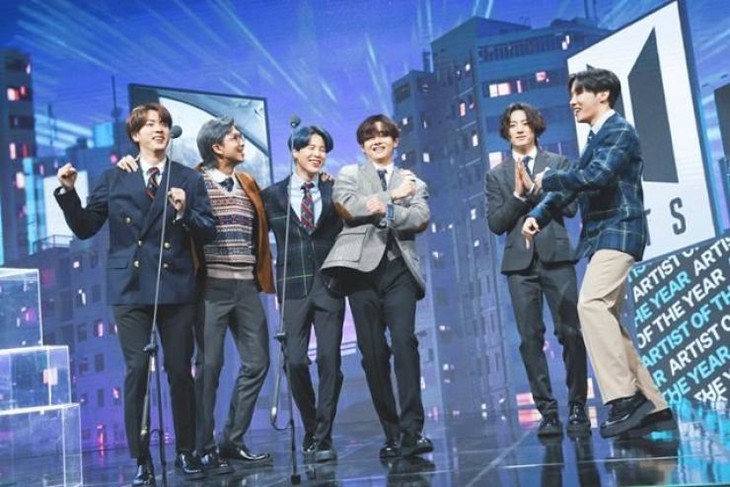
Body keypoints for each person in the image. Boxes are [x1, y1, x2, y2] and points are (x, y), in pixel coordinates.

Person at [55, 103, 215, 485]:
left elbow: (208, 230)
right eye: (150, 124)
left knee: (180, 371)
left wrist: (184, 211)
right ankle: (141, 459)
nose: (159, 130)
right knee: (137, 370)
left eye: (164, 124)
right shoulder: (115, 177)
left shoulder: (188, 179)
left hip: (175, 285)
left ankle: (187, 451)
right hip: (129, 286)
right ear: (135, 135)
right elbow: (85, 227)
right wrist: (68, 192)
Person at [118, 116, 275, 472]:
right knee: (209, 366)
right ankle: (204, 446)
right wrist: (129, 164)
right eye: (235, 137)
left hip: (246, 284)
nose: (242, 142)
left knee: (258, 362)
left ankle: (232, 439)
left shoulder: (248, 182)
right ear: (217, 147)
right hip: (210, 286)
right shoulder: (191, 180)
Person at [523, 68, 673, 438]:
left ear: (603, 94)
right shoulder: (597, 138)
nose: (572, 101)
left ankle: (623, 399)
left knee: (590, 305)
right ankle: (654, 405)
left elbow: (596, 176)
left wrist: (547, 178)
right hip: (605, 235)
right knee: (607, 318)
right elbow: (573, 185)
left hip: (620, 231)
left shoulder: (619, 131)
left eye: (579, 93)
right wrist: (537, 215)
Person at [322, 114, 433, 458]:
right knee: (372, 354)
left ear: (395, 141)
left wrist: (385, 208)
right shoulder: (349, 174)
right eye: (370, 136)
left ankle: (413, 431)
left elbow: (420, 217)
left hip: (399, 269)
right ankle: (392, 432)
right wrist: (393, 196)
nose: (377, 140)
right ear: (362, 145)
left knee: (404, 343)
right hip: (360, 272)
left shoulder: (413, 180)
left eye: (384, 134)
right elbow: (350, 208)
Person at [485, 102, 589, 437]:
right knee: (530, 339)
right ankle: (547, 412)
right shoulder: (496, 175)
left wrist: (538, 188)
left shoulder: (558, 163)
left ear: (535, 127)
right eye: (512, 124)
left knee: (570, 333)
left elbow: (571, 208)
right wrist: (518, 196)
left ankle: (578, 406)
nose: (518, 129)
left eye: (524, 123)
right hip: (519, 265)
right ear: (506, 131)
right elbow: (496, 224)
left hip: (556, 257)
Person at [261, 125, 345, 463]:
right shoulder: (272, 195)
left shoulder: (335, 190)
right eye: (310, 147)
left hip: (330, 284)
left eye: (322, 148)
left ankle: (323, 436)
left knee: (329, 361)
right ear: (294, 152)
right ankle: (312, 426)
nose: (317, 153)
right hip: (292, 286)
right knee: (294, 361)